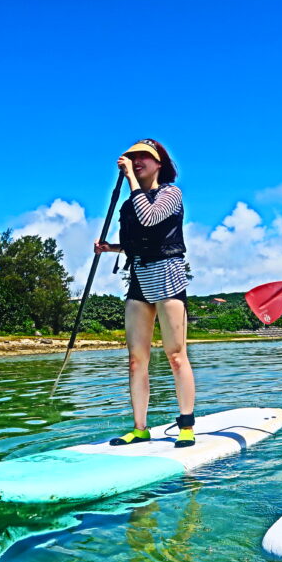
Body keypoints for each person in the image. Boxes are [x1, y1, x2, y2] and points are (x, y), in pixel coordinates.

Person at [94, 139, 196, 447]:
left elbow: (151, 217)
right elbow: (138, 238)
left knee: (175, 355)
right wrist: (111, 247)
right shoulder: (129, 204)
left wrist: (132, 183)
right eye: (134, 157)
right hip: (139, 276)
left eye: (145, 158)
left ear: (159, 164)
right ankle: (140, 428)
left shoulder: (171, 193)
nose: (138, 161)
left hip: (168, 275)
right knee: (137, 359)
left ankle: (186, 426)